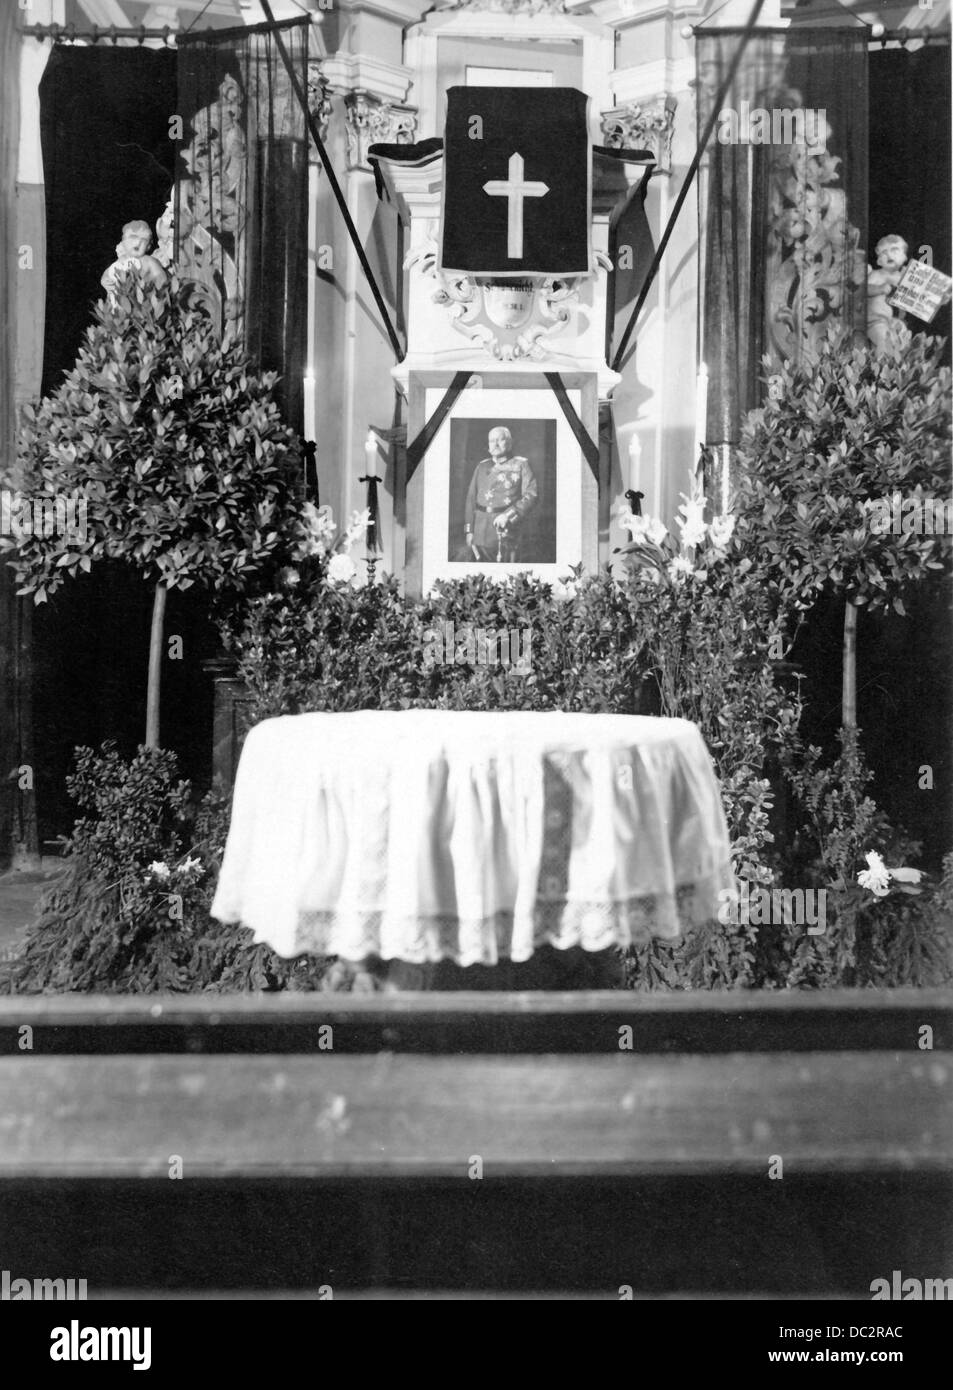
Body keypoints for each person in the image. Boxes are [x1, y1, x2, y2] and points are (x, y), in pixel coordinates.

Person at [463, 426, 538, 562]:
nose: (495, 444)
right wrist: (469, 530)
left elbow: (531, 495)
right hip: (480, 531)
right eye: (492, 441)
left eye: (500, 440)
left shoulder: (521, 465)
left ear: (509, 443)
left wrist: (508, 516)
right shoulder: (482, 466)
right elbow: (470, 499)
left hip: (505, 531)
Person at [101, 220, 168, 297]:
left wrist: (153, 286)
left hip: (145, 298)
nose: (138, 243)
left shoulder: (148, 261)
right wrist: (105, 281)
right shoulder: (122, 260)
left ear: (148, 246)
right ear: (123, 241)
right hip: (123, 298)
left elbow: (161, 277)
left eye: (144, 240)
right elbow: (108, 272)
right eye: (133, 237)